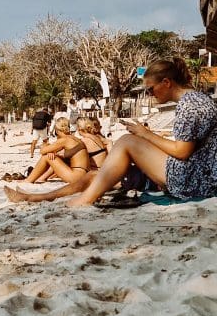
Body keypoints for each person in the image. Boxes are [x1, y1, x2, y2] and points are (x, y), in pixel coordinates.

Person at [68, 57, 217, 207]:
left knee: (126, 141)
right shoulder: (199, 98)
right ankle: (88, 195)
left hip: (195, 179)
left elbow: (182, 152)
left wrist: (145, 134)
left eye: (150, 89)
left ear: (166, 82)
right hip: (204, 174)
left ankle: (85, 200)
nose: (150, 94)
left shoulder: (188, 106)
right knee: (130, 142)